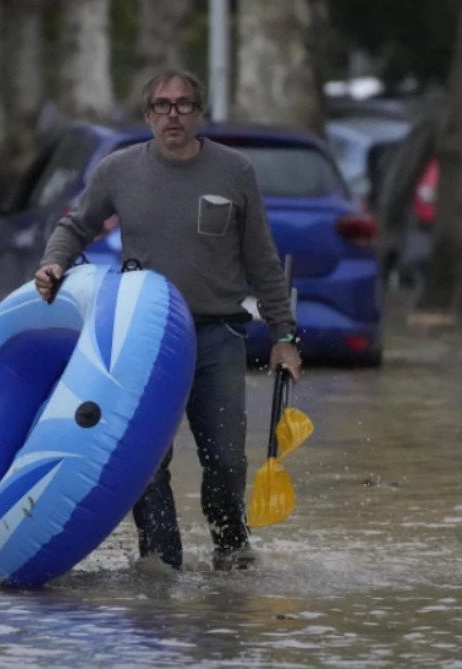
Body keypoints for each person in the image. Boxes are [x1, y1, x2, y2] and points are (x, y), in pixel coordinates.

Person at [33, 69, 302, 572]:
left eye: (182, 105)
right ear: (146, 115)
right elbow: (76, 225)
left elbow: (263, 259)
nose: (172, 115)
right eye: (161, 105)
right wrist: (54, 262)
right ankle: (160, 562)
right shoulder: (119, 170)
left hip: (218, 333)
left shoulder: (235, 171)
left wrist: (284, 335)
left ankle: (230, 550)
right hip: (145, 340)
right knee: (146, 463)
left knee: (225, 459)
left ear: (200, 113)